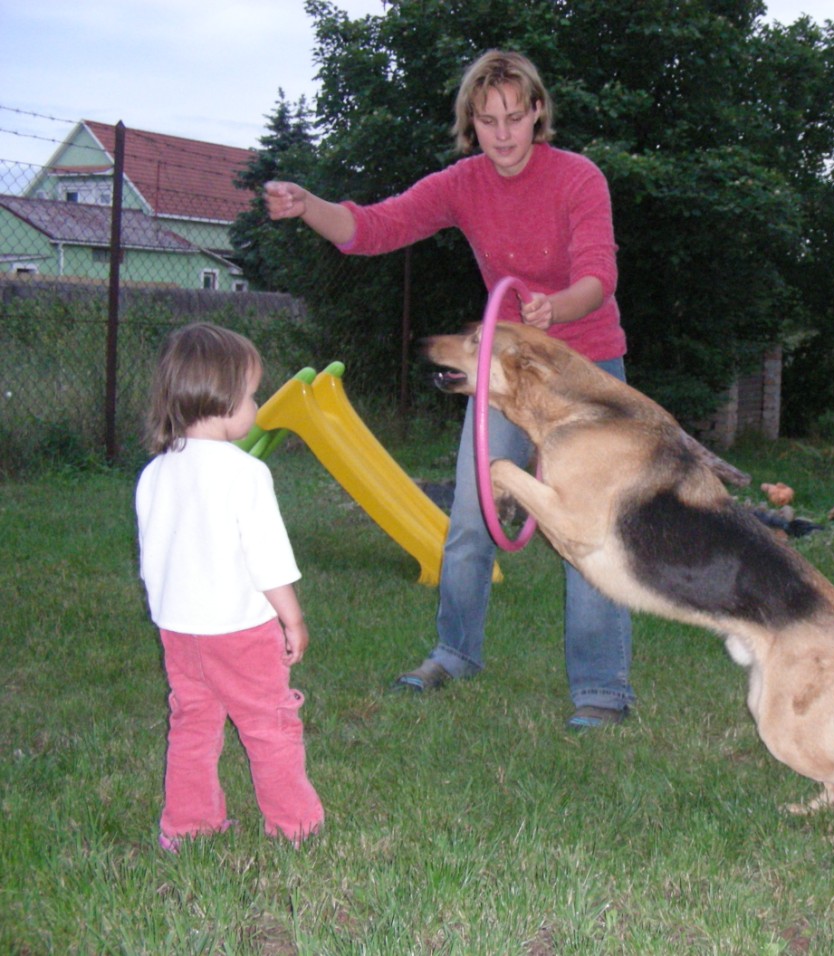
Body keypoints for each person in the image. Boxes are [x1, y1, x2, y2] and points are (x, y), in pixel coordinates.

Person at [264, 50, 634, 730]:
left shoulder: (578, 178)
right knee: (470, 517)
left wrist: (559, 306)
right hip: (504, 372)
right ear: (471, 122)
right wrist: (309, 204)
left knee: (587, 533)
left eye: (514, 118)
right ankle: (454, 653)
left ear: (537, 114)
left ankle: (601, 689)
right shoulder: (464, 183)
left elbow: (598, 274)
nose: (502, 134)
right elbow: (374, 228)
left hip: (584, 370)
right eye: (487, 120)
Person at [136, 323, 324, 851]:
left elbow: (153, 556)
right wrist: (293, 619)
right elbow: (268, 561)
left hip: (181, 631)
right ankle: (294, 825)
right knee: (270, 724)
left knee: (193, 725)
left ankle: (186, 827)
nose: (256, 405)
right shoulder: (245, 474)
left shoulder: (154, 473)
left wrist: (168, 611)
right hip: (239, 632)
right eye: (250, 395)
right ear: (221, 403)